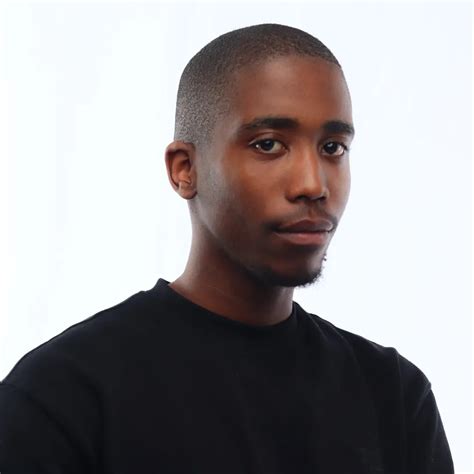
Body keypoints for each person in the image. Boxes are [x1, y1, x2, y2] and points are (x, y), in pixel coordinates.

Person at [0, 23, 454, 474]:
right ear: (185, 169)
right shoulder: (62, 398)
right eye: (269, 144)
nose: (313, 184)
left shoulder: (393, 396)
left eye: (333, 147)